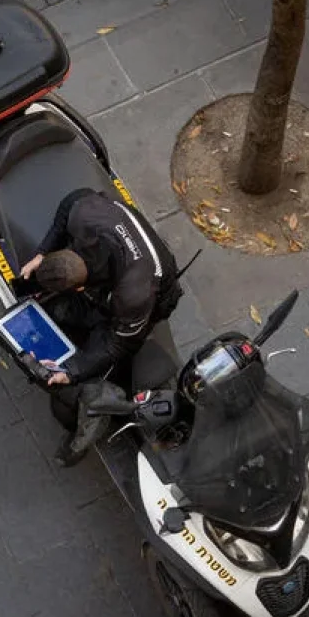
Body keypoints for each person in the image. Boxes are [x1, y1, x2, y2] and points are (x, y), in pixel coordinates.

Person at [18, 188, 182, 466]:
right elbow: (70, 200)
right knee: (63, 314)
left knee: (90, 383)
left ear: (82, 288)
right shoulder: (84, 214)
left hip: (152, 301)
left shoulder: (132, 295)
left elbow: (119, 342)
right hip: (117, 277)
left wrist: (73, 371)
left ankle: (89, 424)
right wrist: (41, 253)